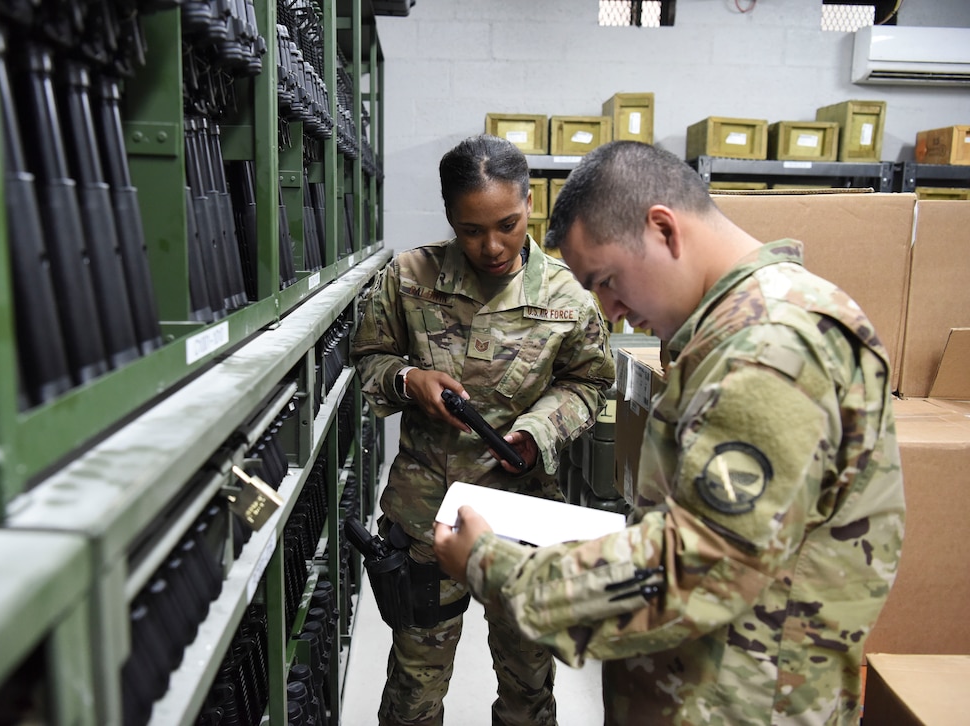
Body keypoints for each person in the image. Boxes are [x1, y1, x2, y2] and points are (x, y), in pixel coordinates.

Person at [434, 140, 906, 725]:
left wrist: (492, 565)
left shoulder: (769, 348)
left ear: (663, 230)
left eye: (607, 280)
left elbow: (698, 568)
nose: (610, 312)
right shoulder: (736, 332)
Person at [351, 134, 614, 726]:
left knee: (527, 691)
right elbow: (366, 356)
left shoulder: (568, 298)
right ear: (450, 217)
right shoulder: (409, 277)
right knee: (413, 694)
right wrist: (409, 379)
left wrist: (539, 431)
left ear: (529, 206)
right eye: (471, 230)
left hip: (520, 520)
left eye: (508, 224)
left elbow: (590, 385)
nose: (492, 245)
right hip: (425, 519)